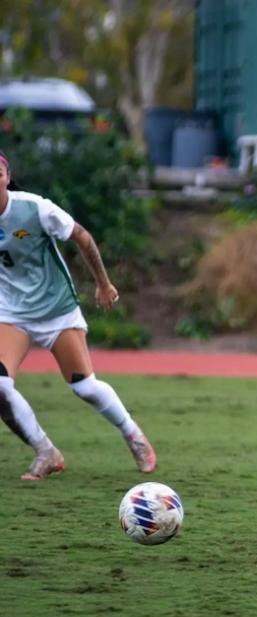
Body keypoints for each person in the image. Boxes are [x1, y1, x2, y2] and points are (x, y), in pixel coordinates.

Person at [0, 151, 156, 480]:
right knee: (0, 385)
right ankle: (46, 452)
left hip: (56, 309)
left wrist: (103, 283)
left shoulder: (34, 208)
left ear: (7, 175)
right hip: (12, 313)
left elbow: (82, 237)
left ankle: (134, 435)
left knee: (84, 387)